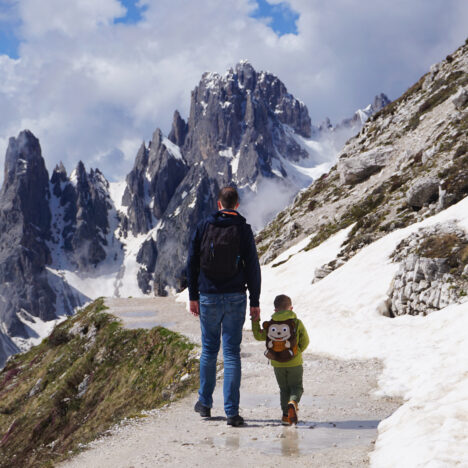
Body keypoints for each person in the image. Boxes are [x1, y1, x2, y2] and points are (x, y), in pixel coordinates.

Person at [187, 186, 261, 427]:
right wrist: (255, 302)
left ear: (219, 204)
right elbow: (253, 268)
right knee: (231, 353)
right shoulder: (243, 229)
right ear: (236, 204)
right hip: (236, 297)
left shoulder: (203, 226)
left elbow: (191, 263)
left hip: (208, 296)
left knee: (209, 350)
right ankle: (231, 412)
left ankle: (205, 404)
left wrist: (193, 295)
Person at [251, 294, 309, 425]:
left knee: (283, 388)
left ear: (275, 310)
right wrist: (297, 352)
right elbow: (306, 341)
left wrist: (255, 321)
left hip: (277, 363)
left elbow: (258, 336)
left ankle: (285, 416)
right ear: (291, 308)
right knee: (296, 387)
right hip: (295, 362)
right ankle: (293, 402)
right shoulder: (297, 323)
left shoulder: (271, 324)